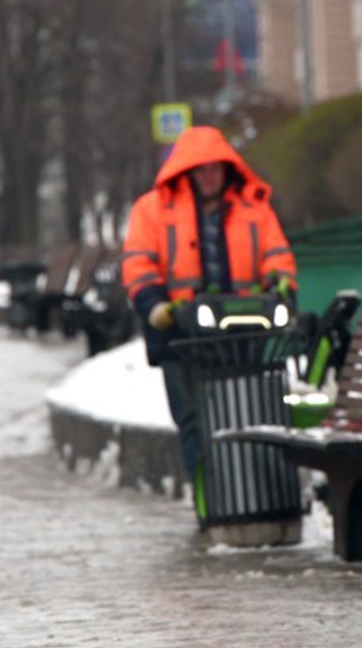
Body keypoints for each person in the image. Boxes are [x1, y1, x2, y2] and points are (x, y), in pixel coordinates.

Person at [120, 125, 298, 511]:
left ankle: (253, 498)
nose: (209, 176)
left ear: (227, 169)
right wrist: (156, 306)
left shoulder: (253, 207)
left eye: (215, 168)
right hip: (180, 335)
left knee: (252, 415)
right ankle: (214, 501)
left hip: (243, 334)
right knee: (194, 422)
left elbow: (276, 254)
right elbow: (139, 263)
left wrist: (280, 283)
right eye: (201, 169)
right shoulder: (152, 210)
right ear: (185, 172)